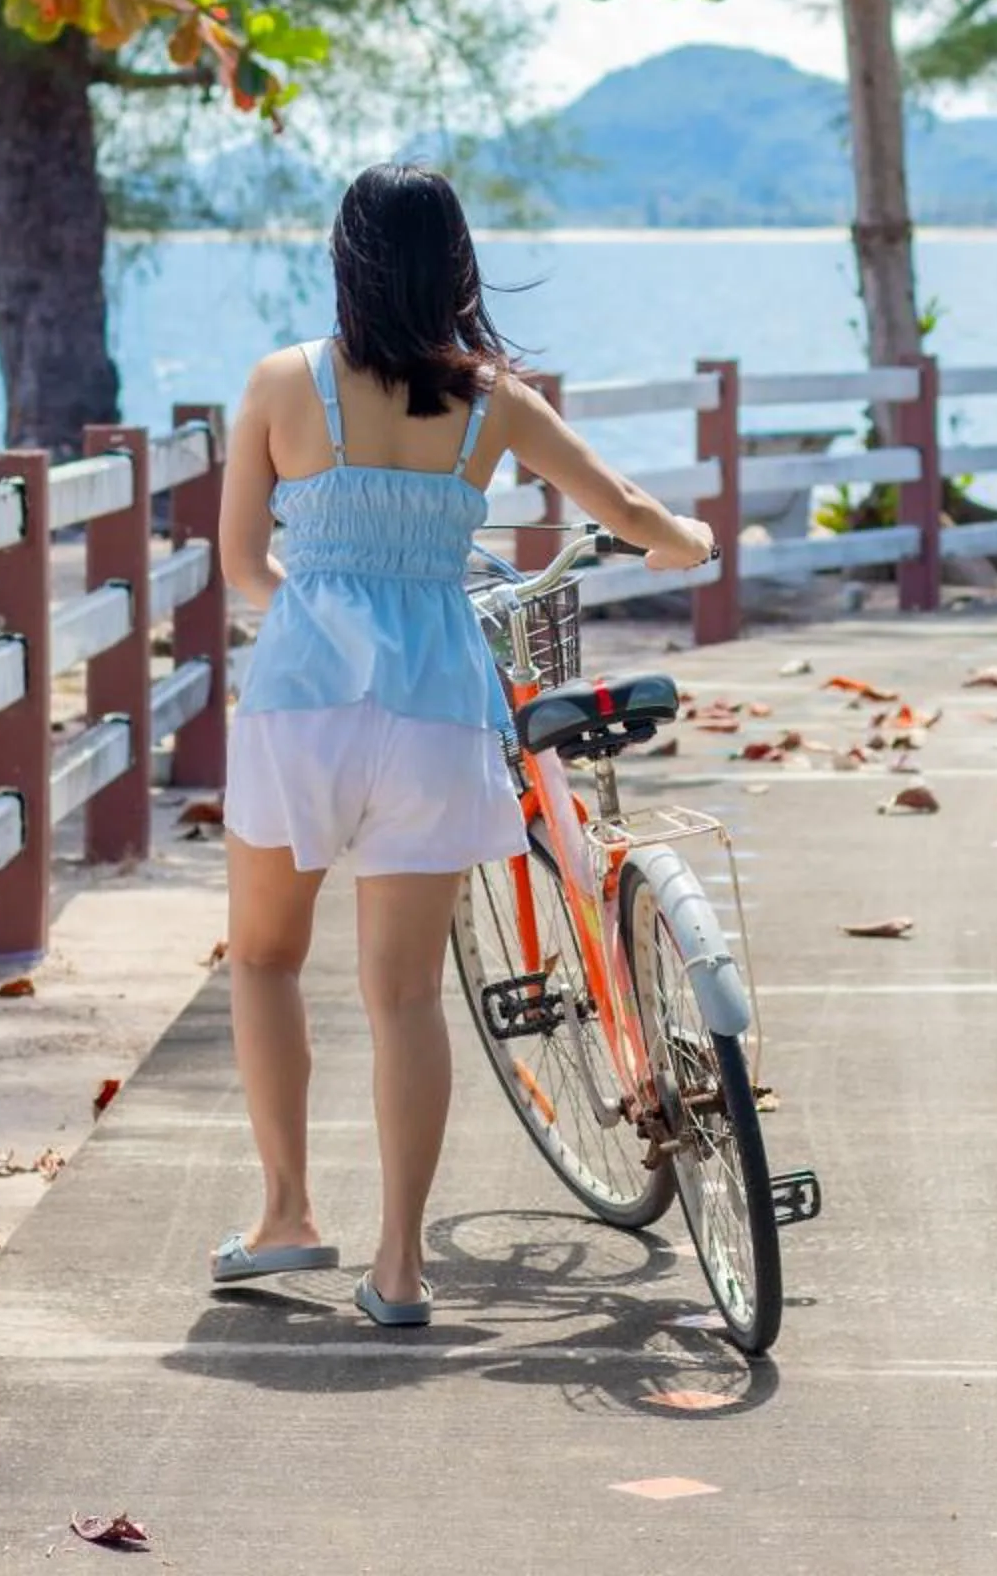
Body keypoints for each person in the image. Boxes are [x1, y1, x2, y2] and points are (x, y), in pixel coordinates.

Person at [212, 162, 713, 1327]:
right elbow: (627, 506)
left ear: (346, 258)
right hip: (438, 711)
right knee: (404, 997)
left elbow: (243, 566)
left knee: (267, 960)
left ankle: (286, 1215)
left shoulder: (284, 383)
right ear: (458, 264)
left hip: (303, 705)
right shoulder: (494, 401)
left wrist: (326, 596)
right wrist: (683, 538)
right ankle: (399, 1265)